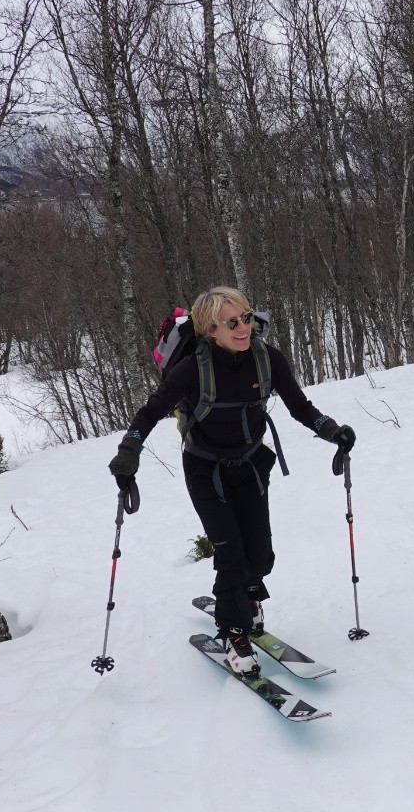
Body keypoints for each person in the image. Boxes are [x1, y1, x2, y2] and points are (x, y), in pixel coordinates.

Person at [108, 286, 356, 677]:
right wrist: (129, 450)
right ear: (210, 329)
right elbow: (149, 412)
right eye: (232, 322)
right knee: (232, 557)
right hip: (206, 471)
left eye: (247, 317)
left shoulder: (267, 359)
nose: (244, 327)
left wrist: (332, 431)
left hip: (252, 464)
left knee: (260, 556)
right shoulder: (191, 370)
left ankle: (248, 600)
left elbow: (300, 406)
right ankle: (234, 632)